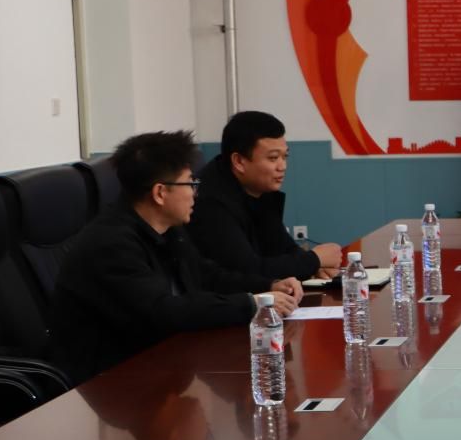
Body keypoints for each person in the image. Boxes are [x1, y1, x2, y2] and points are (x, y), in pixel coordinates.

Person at [52, 130, 300, 384]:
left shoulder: (168, 229)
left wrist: (268, 287)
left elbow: (207, 276)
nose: (195, 193)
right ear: (160, 193)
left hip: (161, 361)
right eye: (190, 184)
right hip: (109, 381)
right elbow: (163, 311)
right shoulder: (111, 245)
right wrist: (251, 304)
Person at [188, 111, 343, 281]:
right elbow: (246, 270)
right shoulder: (210, 201)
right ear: (239, 161)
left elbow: (282, 247)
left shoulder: (260, 188)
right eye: (273, 158)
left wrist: (313, 267)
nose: (282, 166)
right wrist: (314, 260)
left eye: (285, 156)